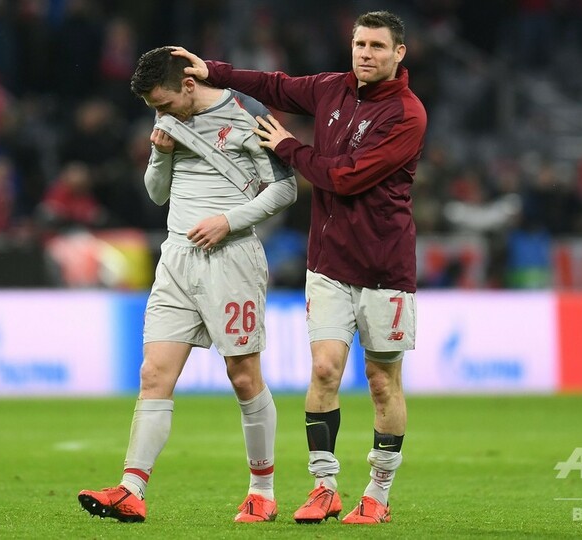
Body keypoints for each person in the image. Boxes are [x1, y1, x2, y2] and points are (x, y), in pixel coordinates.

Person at [174, 9, 427, 525]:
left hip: (385, 268)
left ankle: (378, 494)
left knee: (382, 381)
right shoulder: (331, 89)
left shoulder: (407, 114)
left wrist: (289, 148)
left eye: (378, 46)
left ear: (399, 53)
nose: (366, 54)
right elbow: (275, 85)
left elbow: (348, 177)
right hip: (328, 262)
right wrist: (212, 71)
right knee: (324, 369)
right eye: (360, 44)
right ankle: (324, 486)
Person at [77, 47, 297, 524]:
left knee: (243, 376)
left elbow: (286, 188)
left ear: (190, 84)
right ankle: (131, 489)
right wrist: (159, 154)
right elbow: (156, 194)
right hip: (176, 258)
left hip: (231, 258)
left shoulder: (248, 112)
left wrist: (229, 221)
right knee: (153, 374)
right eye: (154, 107)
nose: (161, 113)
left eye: (164, 102)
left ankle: (262, 491)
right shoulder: (167, 118)